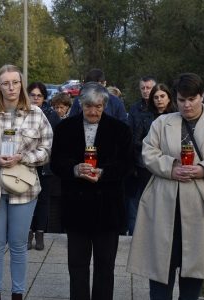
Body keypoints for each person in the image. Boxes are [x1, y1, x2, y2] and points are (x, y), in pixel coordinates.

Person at [127, 73, 204, 300]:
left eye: (192, 99)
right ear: (175, 99)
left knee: (194, 269)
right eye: (181, 100)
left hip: (201, 207)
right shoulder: (162, 123)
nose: (187, 105)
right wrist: (170, 168)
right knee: (161, 267)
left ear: (202, 96)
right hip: (165, 204)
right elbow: (148, 153)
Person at [0, 64, 53, 300]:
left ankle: (17, 293)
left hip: (24, 188)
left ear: (21, 84)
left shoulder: (37, 114)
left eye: (15, 82)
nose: (11, 87)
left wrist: (23, 157)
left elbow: (46, 151)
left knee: (18, 246)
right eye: (6, 83)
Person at [51, 82, 132, 300]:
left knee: (105, 268)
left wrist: (104, 172)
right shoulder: (64, 128)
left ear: (105, 105)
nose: (93, 111)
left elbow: (126, 164)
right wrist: (75, 169)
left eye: (98, 106)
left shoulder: (120, 130)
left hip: (107, 208)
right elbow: (56, 162)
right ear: (80, 104)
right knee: (77, 266)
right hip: (76, 207)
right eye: (88, 106)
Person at [27, 82, 60, 250]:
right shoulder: (24, 113)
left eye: (39, 96)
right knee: (27, 199)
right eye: (33, 95)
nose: (36, 98)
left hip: (46, 165)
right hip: (27, 165)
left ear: (44, 98)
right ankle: (28, 233)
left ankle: (40, 233)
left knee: (43, 201)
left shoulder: (51, 115)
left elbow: (56, 141)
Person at [125, 76, 156, 235]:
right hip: (136, 160)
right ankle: (134, 233)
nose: (145, 91)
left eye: (148, 88)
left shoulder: (159, 109)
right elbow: (129, 135)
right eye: (143, 88)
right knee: (133, 201)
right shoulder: (135, 108)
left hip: (153, 161)